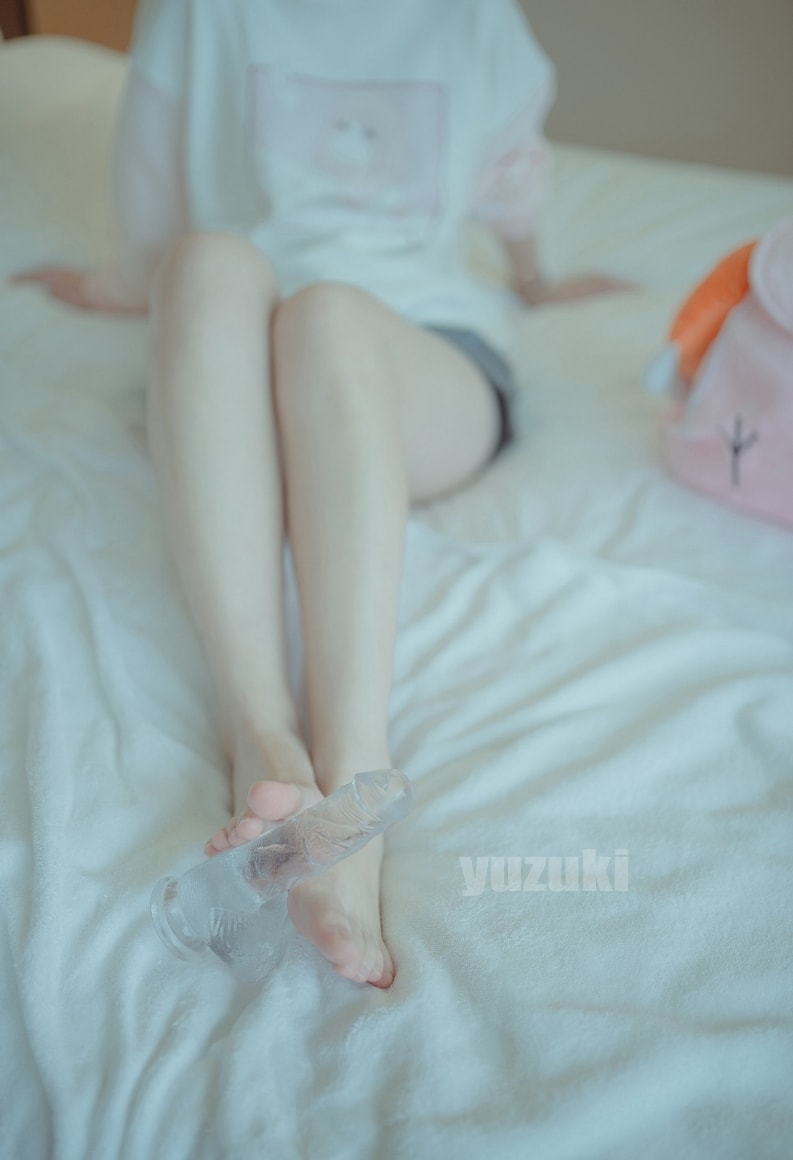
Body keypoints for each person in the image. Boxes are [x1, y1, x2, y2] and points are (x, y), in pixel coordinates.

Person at [12, 0, 630, 988]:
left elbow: (510, 169)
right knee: (205, 259)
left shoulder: (474, 14)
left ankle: (354, 777)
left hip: (416, 353)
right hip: (239, 358)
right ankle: (260, 736)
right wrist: (129, 280)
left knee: (328, 314)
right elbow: (152, 170)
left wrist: (535, 278)